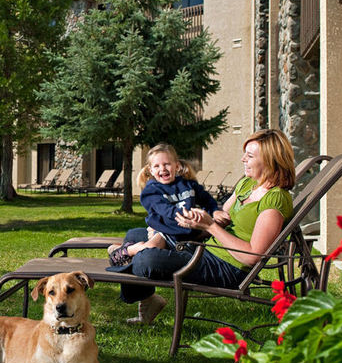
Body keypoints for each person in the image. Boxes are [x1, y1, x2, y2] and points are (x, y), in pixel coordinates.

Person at [112, 129, 296, 325]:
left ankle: (128, 256)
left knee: (146, 259)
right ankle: (148, 300)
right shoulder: (247, 184)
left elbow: (253, 256)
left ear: (269, 159)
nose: (243, 159)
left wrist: (210, 227)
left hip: (228, 266)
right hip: (207, 247)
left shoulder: (274, 199)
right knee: (135, 233)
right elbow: (220, 216)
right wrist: (193, 220)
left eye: (249, 156)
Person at [107, 143, 225, 267]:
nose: (162, 169)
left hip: (187, 230)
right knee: (153, 246)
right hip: (165, 229)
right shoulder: (151, 191)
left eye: (167, 164)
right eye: (157, 166)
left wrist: (215, 211)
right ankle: (128, 250)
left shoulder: (189, 185)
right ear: (151, 170)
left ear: (177, 166)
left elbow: (207, 199)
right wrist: (186, 215)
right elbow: (165, 210)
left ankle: (131, 255)